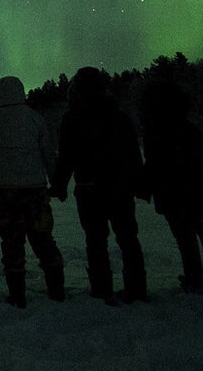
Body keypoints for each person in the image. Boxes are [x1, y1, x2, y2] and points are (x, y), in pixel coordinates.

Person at [0, 76, 65, 307]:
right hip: (36, 190)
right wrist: (56, 182)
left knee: (12, 241)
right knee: (43, 238)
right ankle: (57, 290)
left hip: (5, 192)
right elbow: (48, 153)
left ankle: (17, 295)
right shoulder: (34, 118)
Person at [49, 67, 148, 304]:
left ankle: (101, 289)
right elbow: (133, 154)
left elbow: (66, 157)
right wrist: (139, 183)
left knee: (96, 240)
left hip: (89, 189)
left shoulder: (72, 119)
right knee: (128, 238)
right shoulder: (119, 117)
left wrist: (59, 185)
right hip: (119, 188)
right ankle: (136, 289)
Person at [139, 79, 203, 294]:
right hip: (193, 192)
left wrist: (149, 182)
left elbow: (153, 164)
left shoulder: (155, 130)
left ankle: (197, 281)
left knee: (189, 240)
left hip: (174, 194)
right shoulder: (184, 126)